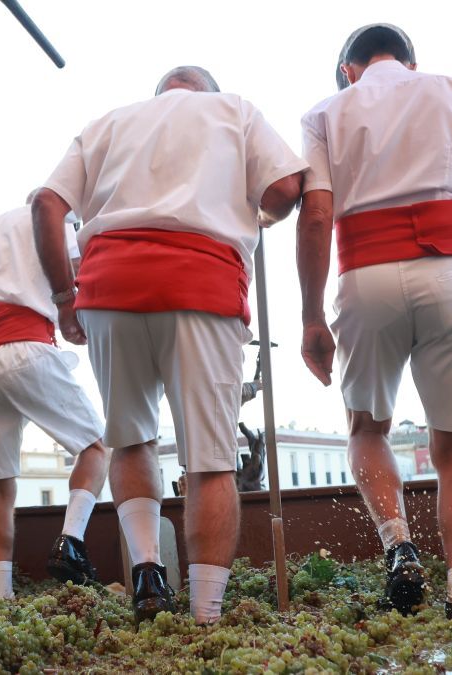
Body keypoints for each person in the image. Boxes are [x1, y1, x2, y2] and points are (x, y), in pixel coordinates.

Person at [32, 66, 306, 623]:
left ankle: (149, 573)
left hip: (110, 286)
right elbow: (286, 189)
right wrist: (259, 214)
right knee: (208, 459)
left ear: (160, 94)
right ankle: (205, 616)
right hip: (200, 280)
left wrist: (64, 297)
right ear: (205, 91)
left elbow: (46, 205)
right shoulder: (232, 109)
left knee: (129, 440)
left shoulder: (108, 123)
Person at [297, 25, 452, 618]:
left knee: (367, 428)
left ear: (348, 69)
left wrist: (310, 316)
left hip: (367, 274)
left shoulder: (325, 111)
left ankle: (399, 545)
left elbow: (317, 214)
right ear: (411, 60)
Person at [0, 196, 110, 599]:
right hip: (25, 345)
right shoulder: (54, 221)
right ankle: (71, 541)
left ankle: (3, 595)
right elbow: (78, 270)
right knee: (96, 446)